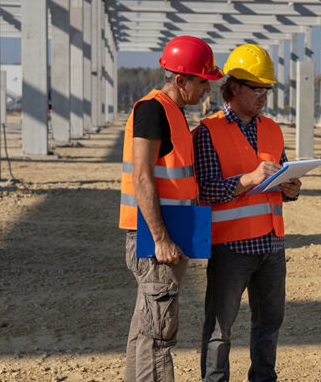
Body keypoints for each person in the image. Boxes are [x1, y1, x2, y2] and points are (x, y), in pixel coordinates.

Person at [194, 44, 302, 382]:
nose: (263, 96)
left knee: (269, 325)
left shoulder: (273, 128)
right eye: (257, 88)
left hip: (272, 245)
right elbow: (205, 190)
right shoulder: (207, 132)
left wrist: (290, 189)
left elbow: (278, 179)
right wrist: (248, 179)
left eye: (266, 89)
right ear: (234, 87)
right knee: (219, 330)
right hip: (231, 248)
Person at [119, 36, 223, 382]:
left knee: (144, 331)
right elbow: (142, 177)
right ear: (181, 80)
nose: (208, 90)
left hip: (169, 235)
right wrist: (162, 238)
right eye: (203, 82)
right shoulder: (153, 110)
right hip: (157, 241)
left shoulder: (174, 112)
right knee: (158, 338)